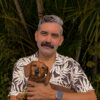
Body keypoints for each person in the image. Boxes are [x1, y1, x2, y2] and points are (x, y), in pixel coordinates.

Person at [9, 15, 97, 100]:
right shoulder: (22, 64)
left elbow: (92, 98)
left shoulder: (71, 65)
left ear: (60, 41)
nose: (48, 40)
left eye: (54, 35)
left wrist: (55, 95)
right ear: (36, 36)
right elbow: (15, 97)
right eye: (44, 33)